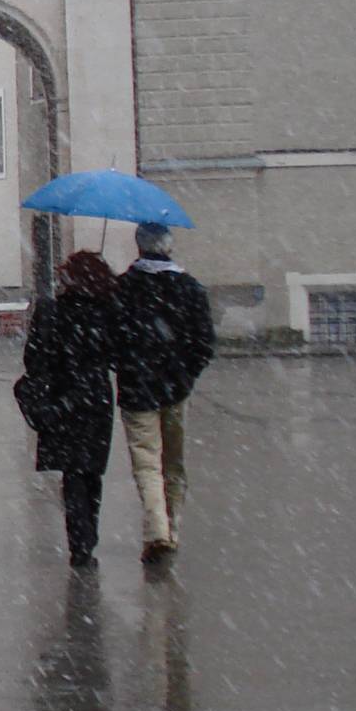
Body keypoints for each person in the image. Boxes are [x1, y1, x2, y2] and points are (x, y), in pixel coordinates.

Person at [111, 224, 215, 564]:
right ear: (168, 247)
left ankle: (157, 530)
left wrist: (126, 364)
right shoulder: (189, 288)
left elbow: (111, 339)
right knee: (174, 462)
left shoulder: (123, 288)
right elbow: (204, 342)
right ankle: (172, 528)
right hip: (175, 389)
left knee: (146, 463)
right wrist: (184, 374)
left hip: (136, 389)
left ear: (139, 247)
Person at [19, 251, 122, 568]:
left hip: (62, 397)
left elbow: (33, 359)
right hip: (96, 399)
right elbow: (117, 357)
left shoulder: (51, 311)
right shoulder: (108, 311)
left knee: (72, 472)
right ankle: (87, 537)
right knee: (91, 471)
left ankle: (80, 541)